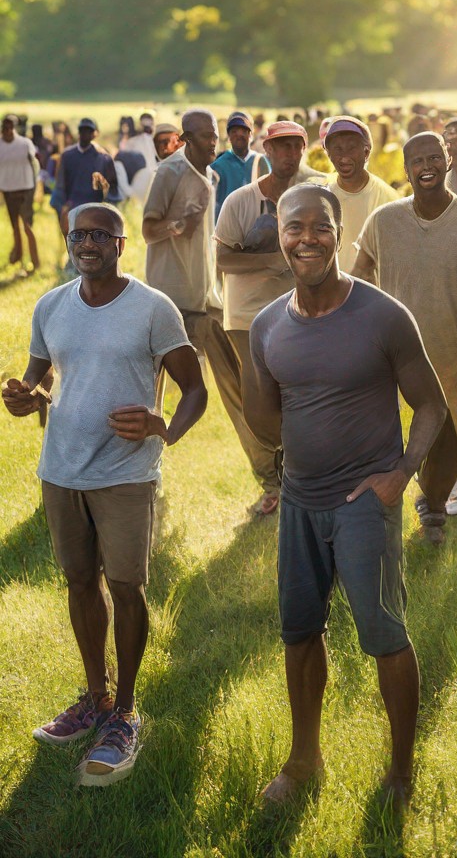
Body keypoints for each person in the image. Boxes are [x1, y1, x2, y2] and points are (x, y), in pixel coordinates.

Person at [244, 182, 447, 806]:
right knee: (299, 633)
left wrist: (401, 474)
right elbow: (266, 419)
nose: (305, 238)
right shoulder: (267, 323)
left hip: (364, 500)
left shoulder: (383, 315)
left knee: (384, 634)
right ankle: (304, 760)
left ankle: (401, 771)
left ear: (338, 231)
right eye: (292, 228)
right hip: (301, 502)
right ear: (279, 237)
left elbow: (433, 405)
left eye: (318, 226)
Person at [3, 202, 206, 786]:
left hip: (124, 472)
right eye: (78, 234)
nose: (87, 243)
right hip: (61, 468)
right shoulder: (50, 306)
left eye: (100, 234)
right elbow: (41, 374)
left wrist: (163, 426)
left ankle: (125, 713)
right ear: (68, 241)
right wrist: (24, 396)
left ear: (121, 243)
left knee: (125, 586)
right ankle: (95, 693)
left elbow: (194, 388)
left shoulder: (152, 308)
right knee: (78, 581)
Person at [353, 132, 457, 542]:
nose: (427, 166)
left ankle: (441, 510)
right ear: (406, 168)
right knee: (399, 437)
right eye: (417, 160)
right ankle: (397, 514)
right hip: (397, 355)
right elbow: (358, 271)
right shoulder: (384, 220)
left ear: (448, 160)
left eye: (435, 157)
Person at [142, 108, 272, 515]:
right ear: (185, 139)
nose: (213, 144)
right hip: (170, 300)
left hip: (207, 299)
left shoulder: (211, 177)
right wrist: (178, 224)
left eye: (214, 137)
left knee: (242, 385)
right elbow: (147, 230)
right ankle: (144, 480)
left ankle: (273, 478)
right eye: (206, 137)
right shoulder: (169, 172)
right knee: (151, 393)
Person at [215, 120, 314, 516]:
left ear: (304, 150)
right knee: (258, 401)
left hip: (300, 315)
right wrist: (272, 261)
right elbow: (222, 258)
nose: (288, 155)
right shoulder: (240, 200)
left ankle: (301, 478)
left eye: (295, 147)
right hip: (247, 318)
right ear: (266, 151)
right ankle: (272, 483)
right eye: (280, 147)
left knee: (300, 395)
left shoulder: (311, 199)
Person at [322, 116, 400, 253]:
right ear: (328, 153)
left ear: (366, 152)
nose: (344, 157)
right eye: (338, 149)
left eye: (351, 148)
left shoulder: (389, 199)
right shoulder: (321, 195)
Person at [53, 117, 118, 238]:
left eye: (89, 131)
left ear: (95, 134)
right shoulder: (68, 155)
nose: (85, 134)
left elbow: (113, 186)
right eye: (82, 131)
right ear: (78, 133)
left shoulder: (103, 157)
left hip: (94, 206)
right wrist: (62, 205)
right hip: (72, 205)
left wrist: (107, 208)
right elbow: (60, 184)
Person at [0, 113, 40, 272]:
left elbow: (35, 166)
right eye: (5, 127)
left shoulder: (24, 144)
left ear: (15, 128)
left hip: (25, 190)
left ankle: (35, 262)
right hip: (8, 190)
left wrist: (34, 188)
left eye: (10, 127)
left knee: (27, 227)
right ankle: (19, 257)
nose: (8, 130)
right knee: (15, 227)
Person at [211, 111, 267, 221]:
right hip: (226, 225)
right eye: (234, 131)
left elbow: (269, 197)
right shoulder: (218, 165)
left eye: (243, 131)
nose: (239, 135)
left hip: (254, 226)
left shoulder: (260, 161)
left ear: (250, 134)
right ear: (229, 136)